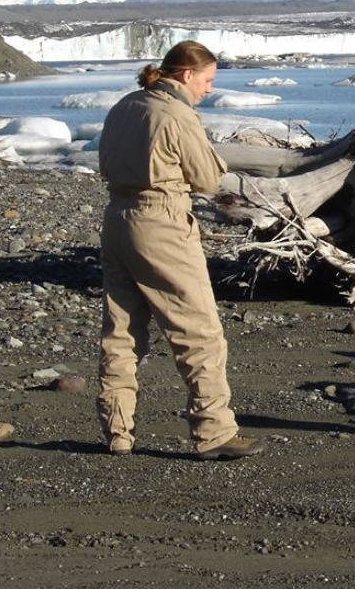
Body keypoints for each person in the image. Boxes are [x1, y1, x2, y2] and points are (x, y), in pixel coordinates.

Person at [96, 40, 265, 461]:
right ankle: (213, 432)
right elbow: (206, 178)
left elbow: (104, 163)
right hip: (162, 222)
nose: (209, 88)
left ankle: (117, 433)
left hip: (118, 218)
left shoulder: (125, 106)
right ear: (187, 75)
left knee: (121, 333)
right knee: (199, 332)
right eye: (207, 80)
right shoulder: (176, 114)